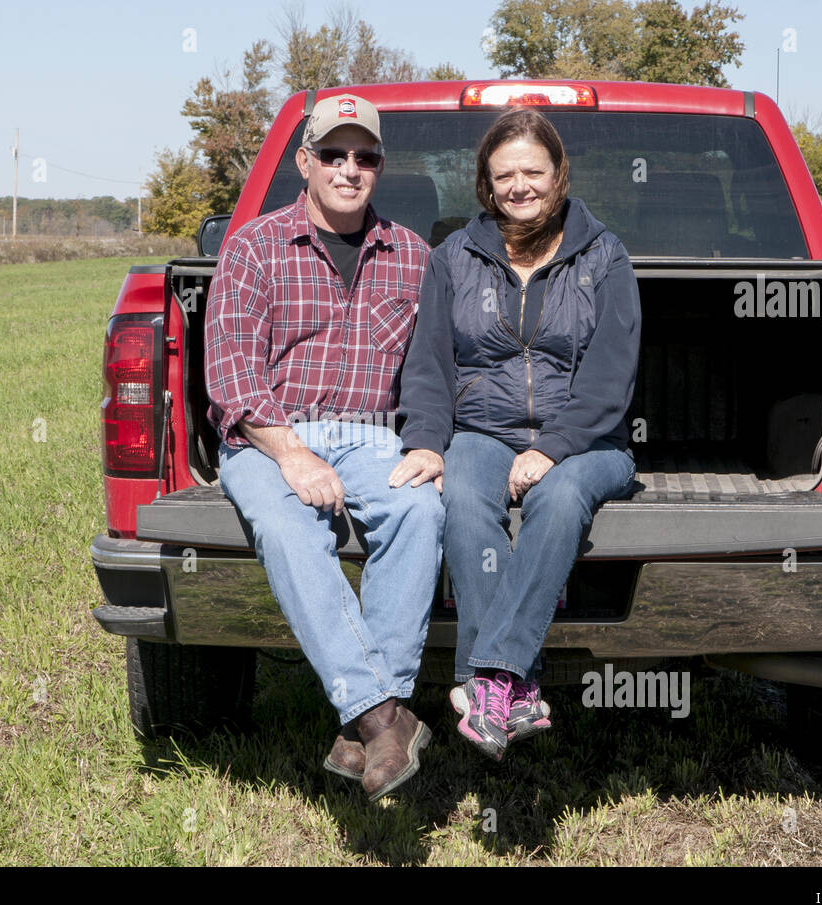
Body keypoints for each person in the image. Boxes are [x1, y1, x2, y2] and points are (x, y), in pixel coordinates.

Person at [206, 94, 443, 800]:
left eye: (364, 157)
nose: (349, 168)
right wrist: (291, 454)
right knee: (286, 526)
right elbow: (231, 373)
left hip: (373, 435)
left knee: (420, 513)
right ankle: (381, 719)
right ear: (304, 161)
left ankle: (366, 727)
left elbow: (433, 372)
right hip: (268, 435)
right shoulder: (253, 245)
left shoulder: (415, 256)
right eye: (333, 155)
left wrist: (429, 444)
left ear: (379, 168)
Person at [390, 108, 641, 761]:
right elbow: (429, 364)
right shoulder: (454, 258)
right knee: (464, 495)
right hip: (481, 429)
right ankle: (512, 693)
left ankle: (491, 677)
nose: (519, 185)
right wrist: (424, 439)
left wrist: (551, 450)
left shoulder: (604, 256)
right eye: (505, 175)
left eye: (533, 170)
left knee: (558, 499)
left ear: (559, 175)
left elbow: (611, 379)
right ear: (486, 182)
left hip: (589, 443)